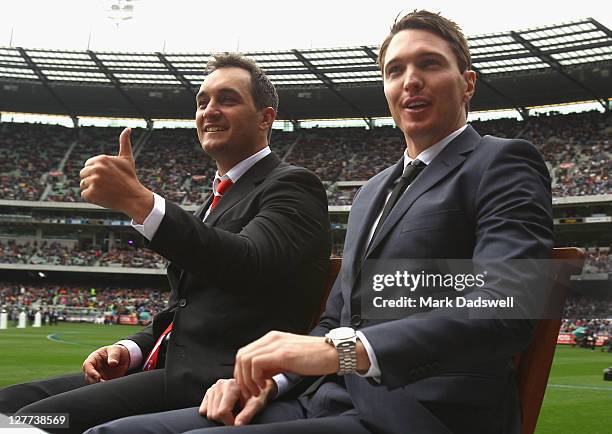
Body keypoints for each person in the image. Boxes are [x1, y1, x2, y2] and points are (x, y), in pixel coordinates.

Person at [86, 10, 554, 434]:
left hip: (423, 414)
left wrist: (340, 352)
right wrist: (271, 378)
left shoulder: (503, 162)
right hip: (318, 402)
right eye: (395, 70)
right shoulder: (372, 192)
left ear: (467, 83)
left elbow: (509, 306)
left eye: (429, 64)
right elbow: (336, 319)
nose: (411, 80)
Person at [0, 54, 331, 433]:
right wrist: (130, 349)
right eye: (202, 101)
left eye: (227, 99)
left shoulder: (293, 185)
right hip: (161, 369)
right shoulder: (215, 200)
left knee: (29, 423)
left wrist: (141, 203)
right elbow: (184, 311)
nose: (210, 111)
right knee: (6, 403)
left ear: (265, 118)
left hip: (214, 380)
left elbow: (247, 265)